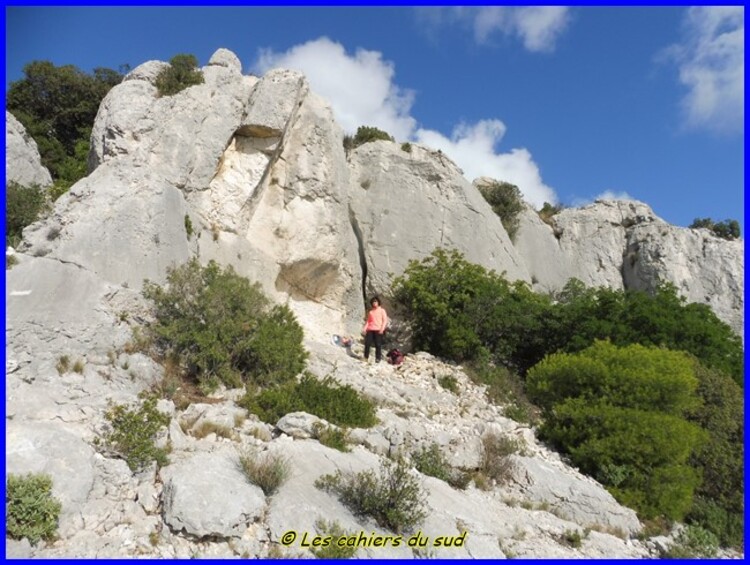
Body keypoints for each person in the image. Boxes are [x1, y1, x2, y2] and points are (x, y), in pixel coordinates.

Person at [362, 296, 388, 363]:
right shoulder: (371, 312)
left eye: (375, 301)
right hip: (370, 329)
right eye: (373, 302)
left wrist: (382, 329)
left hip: (378, 329)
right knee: (367, 343)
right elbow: (368, 321)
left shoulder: (382, 310)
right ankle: (365, 357)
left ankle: (378, 358)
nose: (374, 303)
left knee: (378, 344)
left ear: (378, 302)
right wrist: (364, 329)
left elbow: (385, 320)